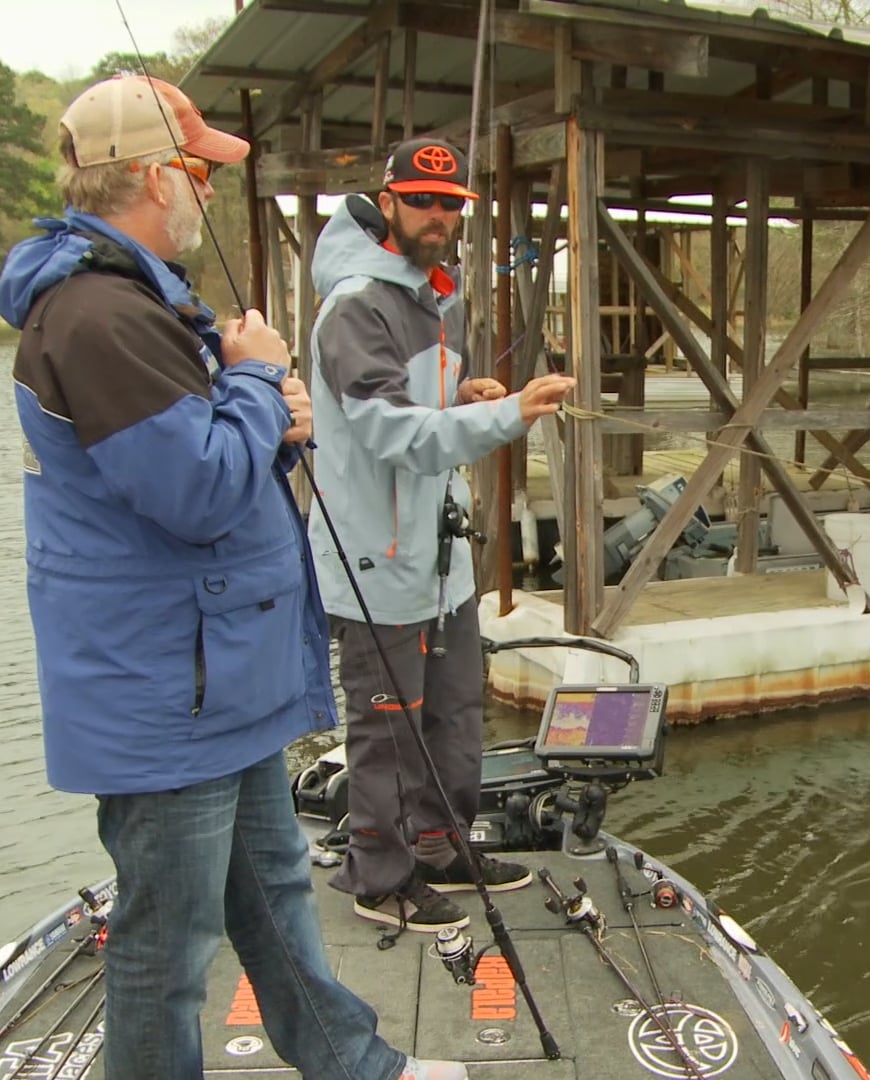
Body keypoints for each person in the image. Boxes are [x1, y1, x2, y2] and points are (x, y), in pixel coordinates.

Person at [0, 73, 467, 1080]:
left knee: (278, 891)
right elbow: (198, 488)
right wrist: (256, 380)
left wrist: (266, 404)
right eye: (200, 171)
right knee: (167, 950)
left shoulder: (139, 301)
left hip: (220, 678)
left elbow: (218, 447)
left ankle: (355, 1065)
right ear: (153, 178)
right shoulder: (98, 317)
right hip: (168, 690)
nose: (209, 190)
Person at [306, 136, 575, 932]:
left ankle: (440, 847)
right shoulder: (356, 301)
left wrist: (463, 390)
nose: (438, 216)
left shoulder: (432, 291)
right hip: (376, 558)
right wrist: (508, 413)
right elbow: (393, 433)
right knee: (386, 725)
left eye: (451, 203)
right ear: (386, 201)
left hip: (441, 558)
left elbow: (421, 399)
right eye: (421, 200)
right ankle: (378, 878)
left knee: (455, 711)